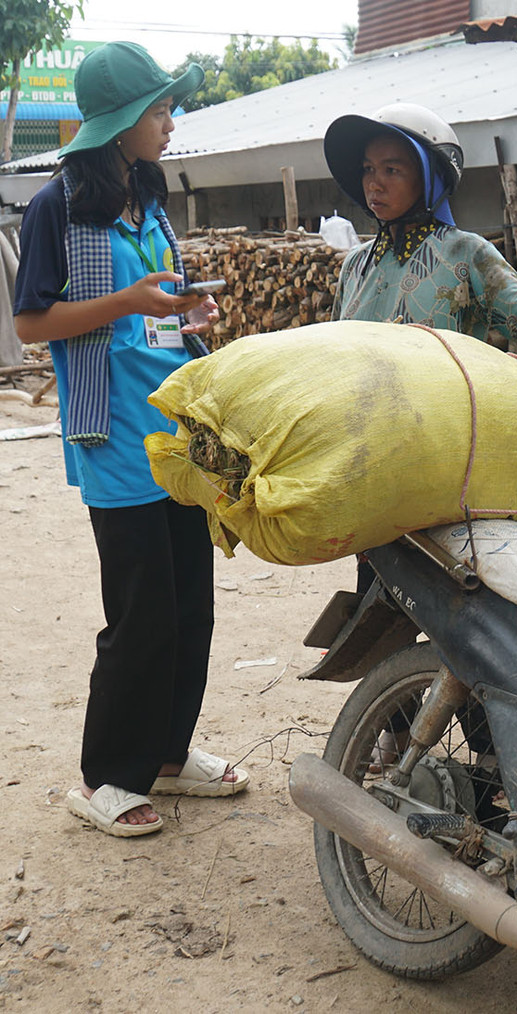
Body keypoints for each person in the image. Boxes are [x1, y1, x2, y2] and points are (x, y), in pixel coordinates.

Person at [14, 42, 247, 838]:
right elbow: (30, 324)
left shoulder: (147, 197)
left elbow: (154, 305)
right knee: (142, 614)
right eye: (159, 111)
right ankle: (106, 779)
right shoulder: (58, 208)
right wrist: (128, 302)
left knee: (192, 607)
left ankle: (170, 757)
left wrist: (187, 316)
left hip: (174, 431)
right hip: (112, 434)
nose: (170, 122)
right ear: (120, 126)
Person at [322, 102, 517, 376]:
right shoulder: (356, 264)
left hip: (442, 417)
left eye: (391, 170)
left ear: (431, 178)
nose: (373, 184)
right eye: (368, 169)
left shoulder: (465, 253)